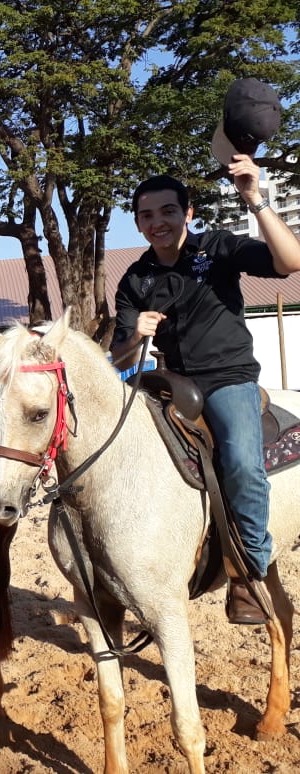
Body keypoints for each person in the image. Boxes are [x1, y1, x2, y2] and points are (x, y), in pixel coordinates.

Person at [110, 166, 300, 624]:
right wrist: (134, 337)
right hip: (169, 383)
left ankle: (249, 575)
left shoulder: (218, 248)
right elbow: (116, 358)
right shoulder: (136, 279)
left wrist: (254, 197)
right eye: (147, 214)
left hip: (228, 378)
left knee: (239, 462)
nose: (158, 221)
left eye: (168, 211)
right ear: (138, 223)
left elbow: (290, 262)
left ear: (187, 213)